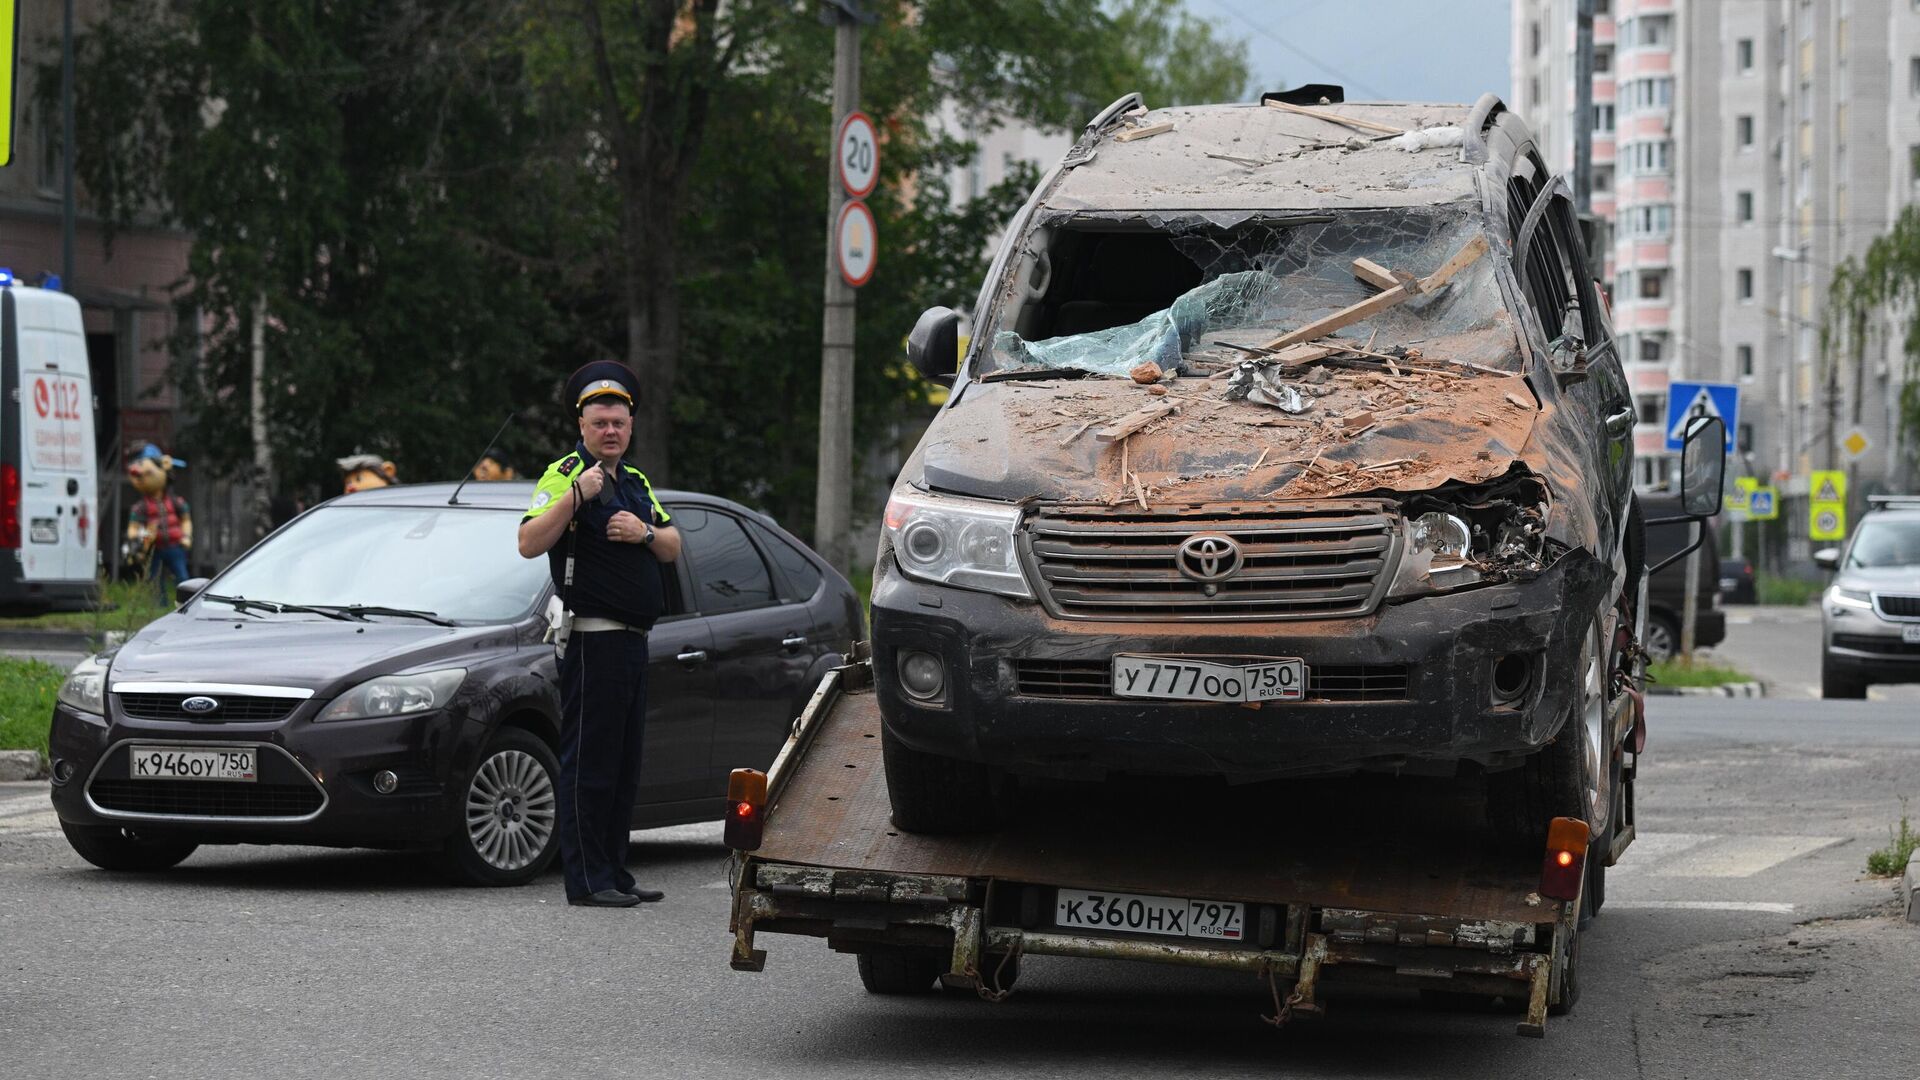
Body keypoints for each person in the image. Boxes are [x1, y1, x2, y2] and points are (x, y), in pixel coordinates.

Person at [517, 361, 682, 908]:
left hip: (633, 640)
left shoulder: (634, 480)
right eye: (599, 423)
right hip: (592, 640)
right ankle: (588, 880)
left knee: (624, 764)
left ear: (630, 427)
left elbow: (673, 546)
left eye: (618, 423)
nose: (610, 431)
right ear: (581, 427)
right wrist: (576, 496)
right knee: (590, 762)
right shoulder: (565, 472)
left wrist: (643, 532)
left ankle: (615, 871)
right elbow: (528, 542)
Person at [125, 443, 192, 597]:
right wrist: (139, 540)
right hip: (154, 549)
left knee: (182, 577)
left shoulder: (175, 502)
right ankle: (158, 605)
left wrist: (187, 536)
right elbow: (133, 528)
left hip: (175, 546)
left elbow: (186, 520)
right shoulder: (140, 507)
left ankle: (188, 601)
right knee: (154, 580)